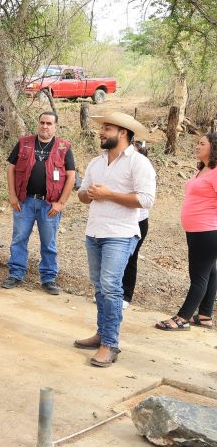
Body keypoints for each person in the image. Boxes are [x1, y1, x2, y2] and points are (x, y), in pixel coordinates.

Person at [74, 112, 155, 367]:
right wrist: (88, 194)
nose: (101, 132)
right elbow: (81, 195)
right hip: (94, 231)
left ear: (122, 132)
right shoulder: (96, 162)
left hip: (121, 233)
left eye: (106, 128)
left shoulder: (138, 163)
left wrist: (109, 195)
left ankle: (110, 344)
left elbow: (146, 200)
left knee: (111, 287)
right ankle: (102, 334)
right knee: (100, 286)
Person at [1, 112, 75, 295]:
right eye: (42, 122)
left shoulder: (64, 147)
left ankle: (48, 278)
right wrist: (12, 196)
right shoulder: (24, 143)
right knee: (19, 239)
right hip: (24, 202)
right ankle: (16, 274)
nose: (45, 126)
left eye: (49, 123)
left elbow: (71, 176)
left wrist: (61, 203)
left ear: (55, 126)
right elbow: (11, 168)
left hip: (49, 205)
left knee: (48, 243)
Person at [154, 133, 217, 332]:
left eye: (202, 143)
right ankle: (205, 316)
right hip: (198, 229)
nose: (197, 146)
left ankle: (182, 318)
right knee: (211, 271)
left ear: (214, 147)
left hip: (207, 230)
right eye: (197, 143)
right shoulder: (204, 169)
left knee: (199, 276)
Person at [122, 141, 151, 309]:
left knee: (130, 258)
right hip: (120, 220)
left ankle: (126, 295)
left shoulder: (145, 171)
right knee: (114, 257)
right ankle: (111, 292)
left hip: (138, 222)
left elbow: (146, 200)